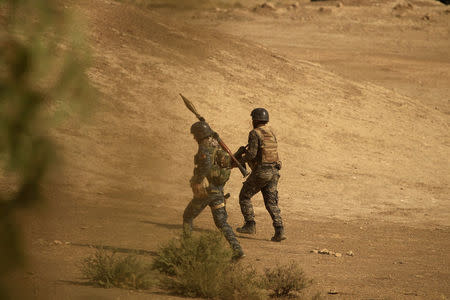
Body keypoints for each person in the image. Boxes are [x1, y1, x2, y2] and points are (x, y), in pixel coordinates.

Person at [183, 121, 244, 259]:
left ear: (200, 135)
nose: (194, 138)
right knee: (221, 222)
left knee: (187, 216)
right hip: (218, 192)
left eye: (195, 135)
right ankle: (237, 249)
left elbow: (205, 165)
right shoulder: (217, 147)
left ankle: (186, 250)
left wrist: (197, 181)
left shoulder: (205, 148)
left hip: (207, 191)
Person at [235, 108, 286, 242]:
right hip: (274, 171)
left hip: (262, 172)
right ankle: (279, 230)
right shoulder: (271, 133)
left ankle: (250, 225)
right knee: (271, 202)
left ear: (255, 120)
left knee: (244, 196)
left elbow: (252, 154)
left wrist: (238, 160)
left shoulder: (254, 133)